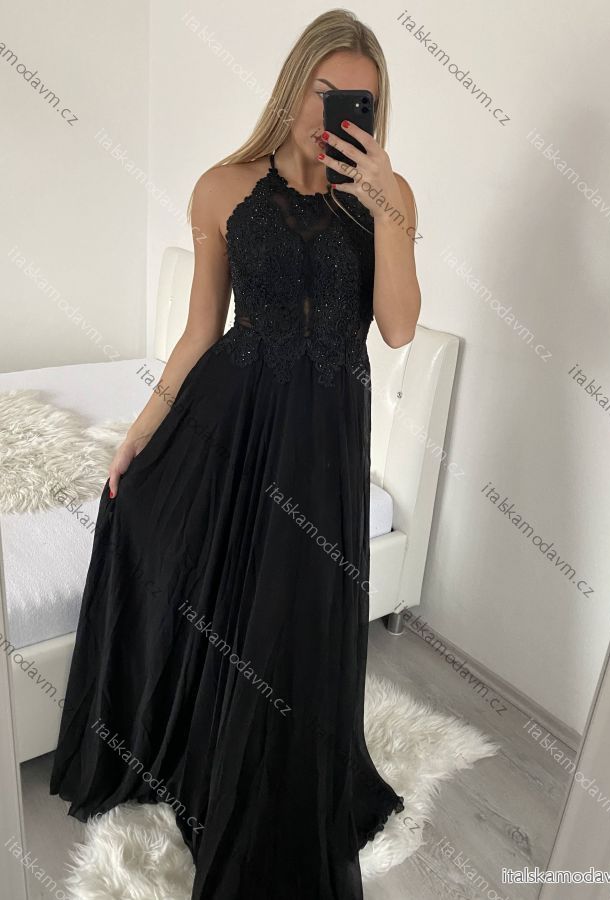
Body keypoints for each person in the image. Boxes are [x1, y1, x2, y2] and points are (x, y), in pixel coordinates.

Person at [50, 8, 421, 898]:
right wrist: (138, 433)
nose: (335, 112)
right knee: (186, 559)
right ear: (293, 85)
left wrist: (386, 204)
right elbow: (197, 334)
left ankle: (283, 784)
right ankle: (202, 750)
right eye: (324, 91)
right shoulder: (221, 188)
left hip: (325, 438)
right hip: (234, 419)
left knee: (299, 610)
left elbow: (400, 327)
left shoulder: (386, 197)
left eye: (358, 100)